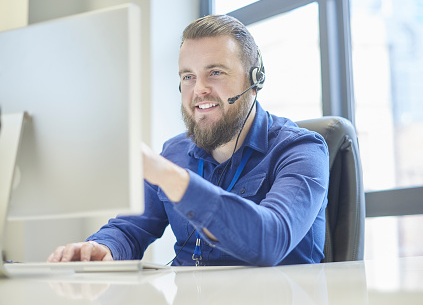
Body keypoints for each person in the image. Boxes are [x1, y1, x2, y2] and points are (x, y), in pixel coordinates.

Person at [47, 15, 329, 266]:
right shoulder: (175, 153)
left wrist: (171, 178)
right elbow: (129, 229)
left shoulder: (302, 150)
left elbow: (271, 240)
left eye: (215, 72)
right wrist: (103, 247)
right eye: (188, 77)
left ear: (254, 81)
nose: (199, 90)